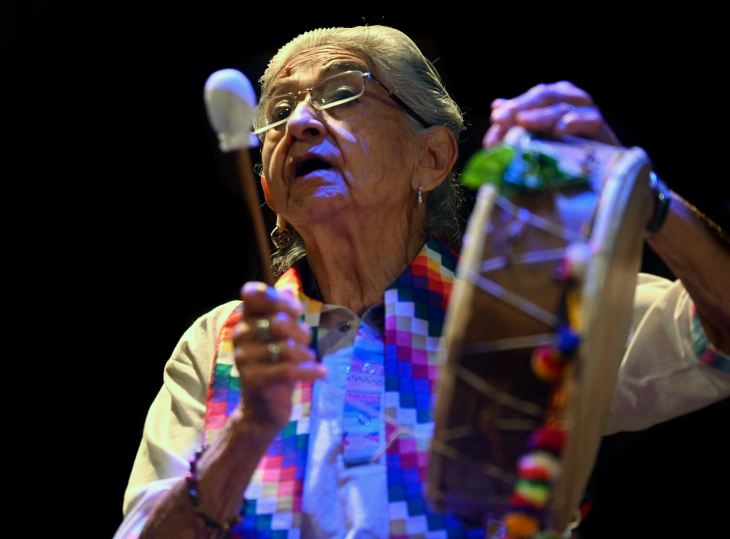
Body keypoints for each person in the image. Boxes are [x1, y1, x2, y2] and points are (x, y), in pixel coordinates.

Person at [114, 25, 730, 538]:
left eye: (339, 93)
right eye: (277, 111)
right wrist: (248, 429)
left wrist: (642, 193)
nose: (299, 121)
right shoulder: (222, 341)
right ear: (271, 192)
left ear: (431, 158)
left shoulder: (520, 309)